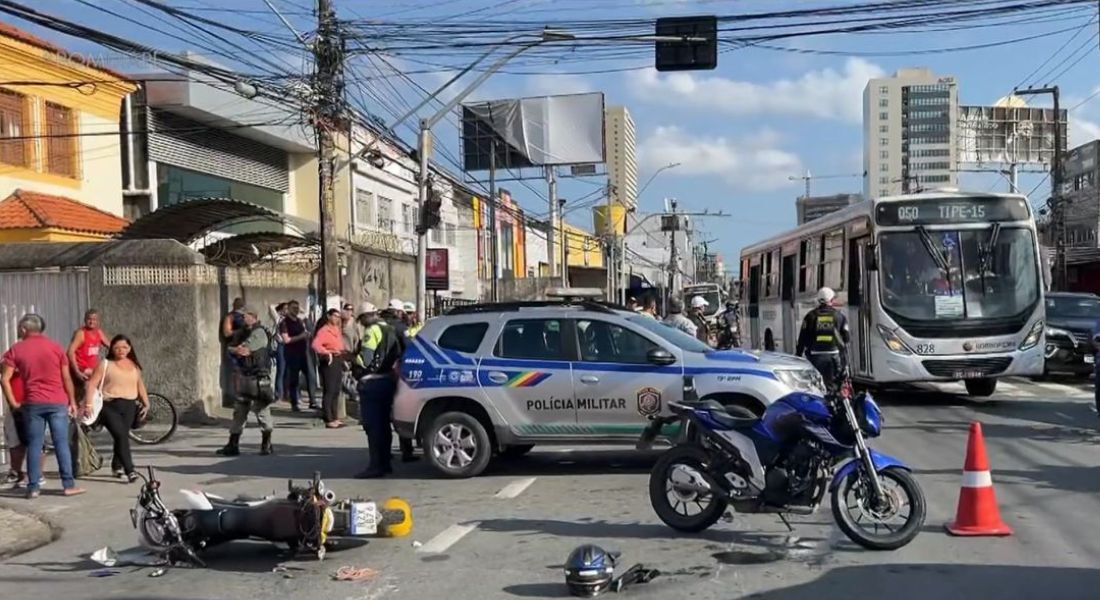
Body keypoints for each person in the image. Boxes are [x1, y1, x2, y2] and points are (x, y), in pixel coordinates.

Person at [0, 314, 86, 499]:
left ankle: (33, 487)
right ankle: (68, 485)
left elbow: (5, 379)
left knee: (34, 444)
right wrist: (71, 400)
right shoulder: (55, 348)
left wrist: (14, 403)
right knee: (61, 442)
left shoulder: (16, 349)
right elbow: (66, 378)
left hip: (32, 403)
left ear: (24, 329)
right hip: (57, 402)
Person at [84, 335, 149, 483]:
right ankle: (130, 470)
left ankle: (116, 465)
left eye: (125, 347)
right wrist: (88, 405)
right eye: (117, 347)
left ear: (130, 348)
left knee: (122, 436)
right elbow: (92, 384)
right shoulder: (105, 364)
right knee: (121, 435)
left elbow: (140, 385)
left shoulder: (134, 365)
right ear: (112, 348)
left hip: (129, 405)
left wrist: (146, 403)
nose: (121, 350)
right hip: (109, 406)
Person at [353, 302, 405, 478]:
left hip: (372, 383)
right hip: (388, 381)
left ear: (367, 316)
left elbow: (366, 359)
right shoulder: (390, 329)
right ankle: (386, 463)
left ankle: (376, 466)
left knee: (373, 426)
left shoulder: (372, 331)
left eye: (361, 319)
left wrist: (353, 359)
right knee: (384, 425)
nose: (361, 323)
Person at [218, 308, 275, 456]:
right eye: (242, 316)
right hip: (246, 377)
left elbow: (244, 350)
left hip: (258, 378)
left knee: (262, 410)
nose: (242, 318)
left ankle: (266, 444)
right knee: (240, 411)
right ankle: (233, 444)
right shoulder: (245, 331)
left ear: (253, 316)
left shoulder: (259, 333)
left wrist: (232, 349)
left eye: (245, 316)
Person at [795, 287, 851, 391]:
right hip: (834, 358)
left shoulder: (810, 316)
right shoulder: (839, 316)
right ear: (831, 300)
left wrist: (797, 357)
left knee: (815, 387)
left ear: (818, 300)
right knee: (835, 388)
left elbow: (802, 339)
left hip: (815, 359)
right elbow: (846, 339)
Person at [382, 300, 417, 462]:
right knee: (401, 413)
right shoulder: (401, 328)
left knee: (382, 417)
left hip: (380, 374)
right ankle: (406, 451)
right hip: (397, 373)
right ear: (398, 312)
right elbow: (409, 348)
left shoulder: (379, 325)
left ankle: (384, 452)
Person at [278, 300, 318, 412]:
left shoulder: (300, 321)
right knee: (294, 379)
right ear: (289, 309)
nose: (296, 310)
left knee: (311, 376)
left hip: (304, 353)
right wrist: (301, 336)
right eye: (293, 308)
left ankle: (313, 401)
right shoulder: (284, 323)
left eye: (297, 307)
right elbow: (286, 340)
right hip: (292, 354)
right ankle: (294, 403)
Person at [312, 308, 346, 429]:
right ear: (329, 316)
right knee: (329, 390)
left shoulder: (336, 330)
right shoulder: (324, 330)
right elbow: (315, 344)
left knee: (337, 390)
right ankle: (328, 418)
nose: (337, 319)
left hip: (338, 359)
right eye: (335, 316)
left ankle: (335, 416)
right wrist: (326, 352)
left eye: (338, 316)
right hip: (329, 360)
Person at [66, 309, 109, 395]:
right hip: (82, 370)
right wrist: (77, 371)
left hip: (92, 368)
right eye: (89, 319)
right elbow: (70, 352)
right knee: (88, 390)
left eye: (94, 319)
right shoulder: (81, 333)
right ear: (85, 320)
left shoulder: (99, 333)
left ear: (98, 321)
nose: (91, 322)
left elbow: (110, 346)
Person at [3, 352, 29, 487]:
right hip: (17, 403)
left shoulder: (15, 353)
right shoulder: (12, 353)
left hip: (25, 403)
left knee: (31, 441)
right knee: (14, 439)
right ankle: (17, 472)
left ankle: (28, 474)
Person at [270, 302, 288, 403]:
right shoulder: (279, 319)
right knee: (281, 370)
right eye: (285, 308)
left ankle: (286, 394)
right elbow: (271, 307)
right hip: (281, 346)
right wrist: (280, 303)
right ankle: (278, 394)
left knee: (288, 372)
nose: (287, 310)